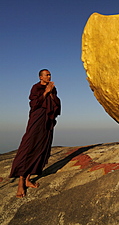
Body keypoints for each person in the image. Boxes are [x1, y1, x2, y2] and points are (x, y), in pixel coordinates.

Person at [9, 69, 61, 198]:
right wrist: (46, 92)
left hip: (47, 122)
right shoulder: (36, 87)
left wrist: (51, 93)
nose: (49, 76)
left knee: (41, 148)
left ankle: (28, 179)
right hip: (36, 120)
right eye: (46, 75)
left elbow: (56, 104)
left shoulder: (53, 88)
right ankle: (21, 181)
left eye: (50, 74)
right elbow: (34, 104)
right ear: (40, 77)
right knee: (28, 147)